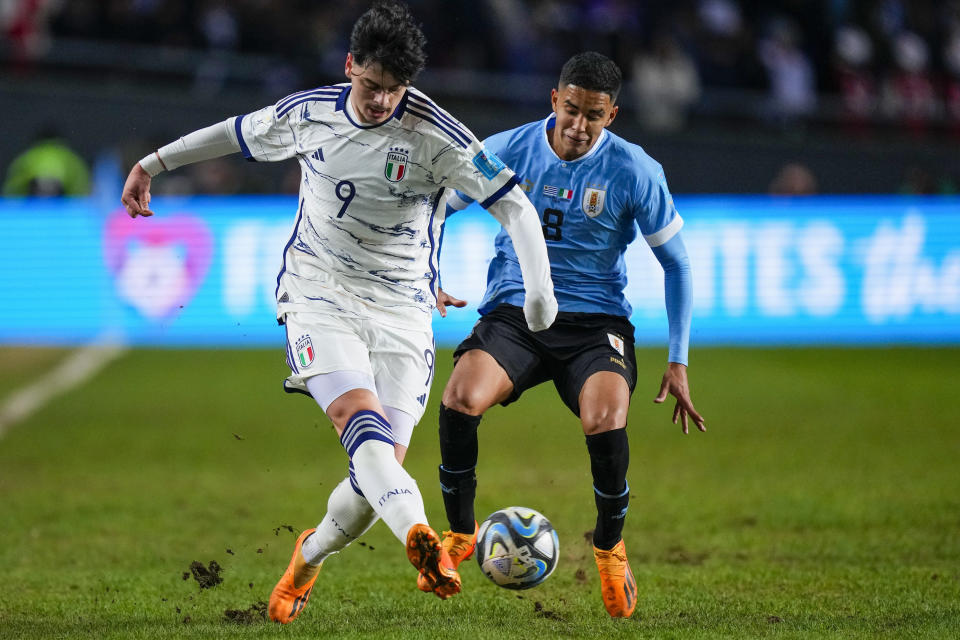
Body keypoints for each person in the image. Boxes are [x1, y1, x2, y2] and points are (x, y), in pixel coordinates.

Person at [120, 0, 556, 625]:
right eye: (372, 86)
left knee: (373, 474)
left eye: (394, 91)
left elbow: (514, 204)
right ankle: (421, 537)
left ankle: (309, 554)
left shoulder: (437, 134)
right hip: (317, 291)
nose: (381, 102)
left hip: (404, 308)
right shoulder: (308, 115)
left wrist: (539, 290)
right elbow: (233, 132)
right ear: (351, 65)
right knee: (360, 424)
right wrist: (152, 163)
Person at [428, 52, 706, 619]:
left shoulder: (635, 171)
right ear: (554, 100)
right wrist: (425, 272)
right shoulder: (507, 149)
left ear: (613, 115)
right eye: (571, 110)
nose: (579, 126)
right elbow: (435, 206)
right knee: (460, 397)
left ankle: (609, 547)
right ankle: (459, 535)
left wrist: (677, 361)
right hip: (515, 315)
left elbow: (677, 264)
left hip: (595, 323)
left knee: (605, 416)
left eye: (594, 116)